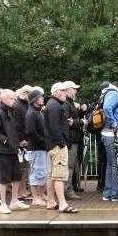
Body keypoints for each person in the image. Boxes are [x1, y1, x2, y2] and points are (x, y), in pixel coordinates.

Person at [0, 89, 30, 214]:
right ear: (4, 99)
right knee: (4, 177)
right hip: (3, 151)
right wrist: (6, 141)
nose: (15, 101)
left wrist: (19, 141)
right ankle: (3, 203)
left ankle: (14, 201)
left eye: (14, 98)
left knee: (17, 176)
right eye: (12, 99)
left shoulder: (12, 112)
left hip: (13, 149)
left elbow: (14, 130)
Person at [44, 83, 78, 213]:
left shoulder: (52, 104)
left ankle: (51, 201)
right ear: (56, 92)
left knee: (52, 175)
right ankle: (63, 204)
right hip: (57, 145)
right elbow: (54, 127)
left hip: (53, 145)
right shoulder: (55, 106)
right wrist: (62, 143)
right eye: (63, 91)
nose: (66, 93)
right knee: (59, 175)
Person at [25, 89, 49, 206]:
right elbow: (31, 132)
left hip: (42, 147)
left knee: (43, 172)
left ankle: (40, 195)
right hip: (36, 148)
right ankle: (35, 197)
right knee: (36, 173)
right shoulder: (31, 113)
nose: (42, 98)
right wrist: (43, 141)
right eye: (40, 97)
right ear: (34, 100)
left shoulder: (39, 112)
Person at [63, 81, 83, 199]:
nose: (75, 91)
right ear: (67, 90)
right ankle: (67, 190)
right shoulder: (66, 104)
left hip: (74, 138)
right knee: (69, 165)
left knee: (71, 165)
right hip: (70, 139)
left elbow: (71, 120)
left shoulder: (69, 103)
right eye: (74, 89)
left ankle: (69, 189)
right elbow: (66, 122)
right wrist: (79, 122)